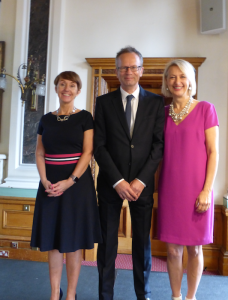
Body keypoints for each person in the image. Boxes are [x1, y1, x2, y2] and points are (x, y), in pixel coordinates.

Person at [94, 46, 165, 300]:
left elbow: (159, 146)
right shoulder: (103, 103)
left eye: (134, 66)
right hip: (111, 185)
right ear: (116, 71)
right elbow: (98, 147)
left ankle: (142, 294)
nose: (128, 71)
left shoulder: (157, 103)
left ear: (141, 70)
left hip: (142, 187)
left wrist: (140, 180)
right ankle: (105, 295)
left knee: (141, 246)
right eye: (123, 67)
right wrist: (118, 181)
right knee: (107, 245)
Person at [31, 71, 102, 300]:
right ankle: (54, 293)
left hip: (76, 186)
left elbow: (88, 152)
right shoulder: (46, 119)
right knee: (52, 242)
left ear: (78, 91)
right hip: (49, 185)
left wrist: (70, 181)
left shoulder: (85, 117)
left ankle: (70, 294)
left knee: (72, 242)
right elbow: (40, 152)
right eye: (62, 84)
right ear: (56, 88)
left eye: (72, 85)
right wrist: (44, 181)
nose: (67, 88)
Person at [158, 59, 219, 300]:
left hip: (197, 189)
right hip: (170, 189)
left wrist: (207, 190)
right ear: (166, 82)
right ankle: (176, 296)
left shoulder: (206, 109)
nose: (177, 81)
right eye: (171, 77)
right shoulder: (161, 113)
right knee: (172, 250)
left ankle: (191, 297)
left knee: (194, 248)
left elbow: (214, 152)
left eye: (182, 76)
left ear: (191, 81)